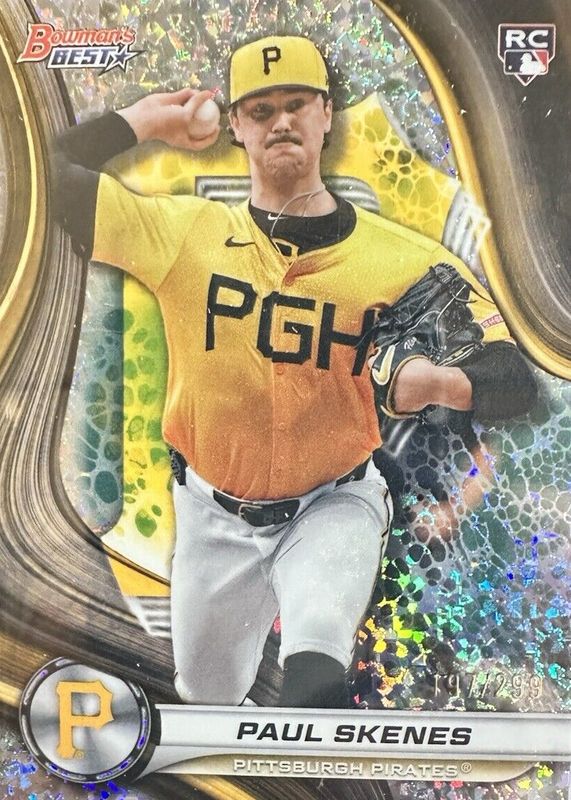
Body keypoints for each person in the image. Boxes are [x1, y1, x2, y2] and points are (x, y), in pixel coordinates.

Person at [52, 35, 537, 708]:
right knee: (207, 696)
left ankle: (316, 722)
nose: (280, 121)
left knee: (315, 663)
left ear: (325, 113)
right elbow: (40, 179)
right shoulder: (181, 233)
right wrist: (141, 122)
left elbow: (515, 378)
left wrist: (441, 384)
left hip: (334, 501)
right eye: (261, 109)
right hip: (211, 516)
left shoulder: (400, 260)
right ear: (236, 126)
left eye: (296, 104)